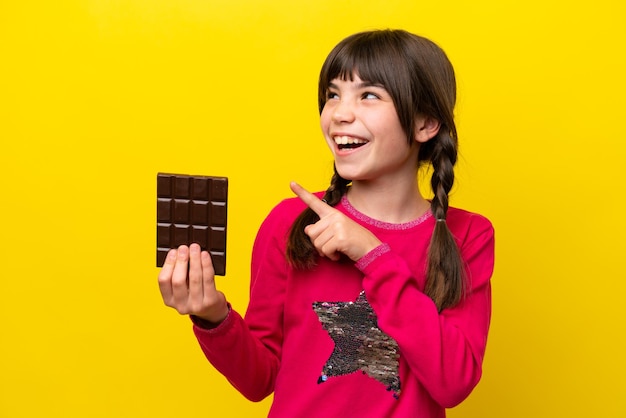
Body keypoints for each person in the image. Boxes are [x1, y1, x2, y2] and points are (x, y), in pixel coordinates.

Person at [158, 29, 495, 417]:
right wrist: (213, 316)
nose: (339, 113)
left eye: (368, 95)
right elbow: (258, 380)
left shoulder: (468, 235)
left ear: (424, 123)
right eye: (333, 95)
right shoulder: (290, 221)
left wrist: (372, 254)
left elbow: (453, 381)